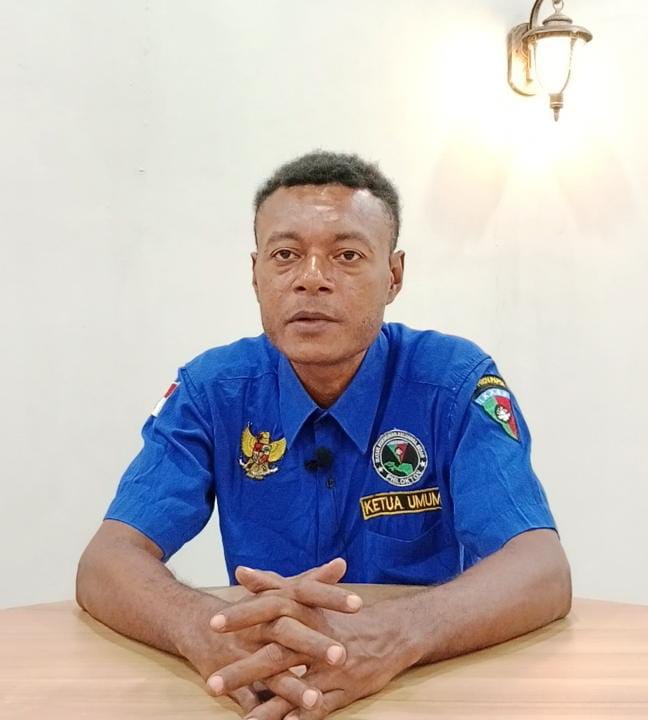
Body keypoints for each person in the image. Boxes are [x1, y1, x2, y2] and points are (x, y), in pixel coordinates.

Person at [76, 151, 571, 720]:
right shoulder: (213, 390)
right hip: (260, 684)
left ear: (394, 275)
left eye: (347, 255)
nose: (311, 278)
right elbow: (107, 560)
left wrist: (394, 635)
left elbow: (541, 568)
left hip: (416, 683)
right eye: (286, 255)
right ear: (256, 274)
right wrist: (204, 629)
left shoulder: (453, 382)